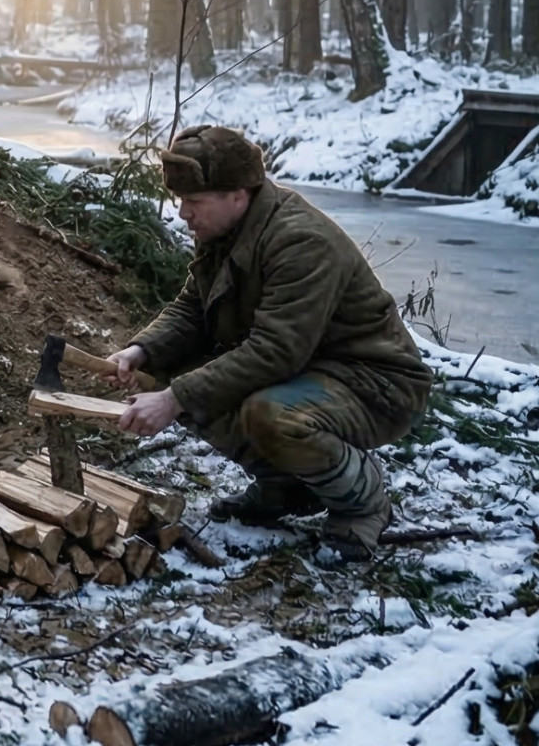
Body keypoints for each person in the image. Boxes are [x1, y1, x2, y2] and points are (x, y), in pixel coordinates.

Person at [106, 125, 431, 562]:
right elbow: (193, 309)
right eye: (182, 201)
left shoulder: (301, 241)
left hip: (375, 383)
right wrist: (141, 350)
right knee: (163, 373)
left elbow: (275, 351)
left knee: (271, 414)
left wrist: (175, 399)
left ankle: (363, 498)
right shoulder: (227, 232)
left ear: (238, 194)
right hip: (309, 371)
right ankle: (287, 489)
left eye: (195, 202)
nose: (184, 213)